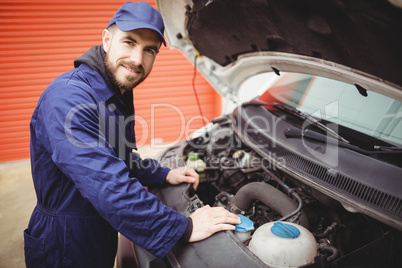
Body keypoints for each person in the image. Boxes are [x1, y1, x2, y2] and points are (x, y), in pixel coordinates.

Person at [24, 2, 240, 267]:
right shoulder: (69, 99)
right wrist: (183, 227)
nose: (138, 59)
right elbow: (107, 183)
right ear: (106, 39)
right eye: (129, 41)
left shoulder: (112, 92)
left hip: (96, 231)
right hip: (64, 243)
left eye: (149, 50)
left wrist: (163, 174)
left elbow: (119, 157)